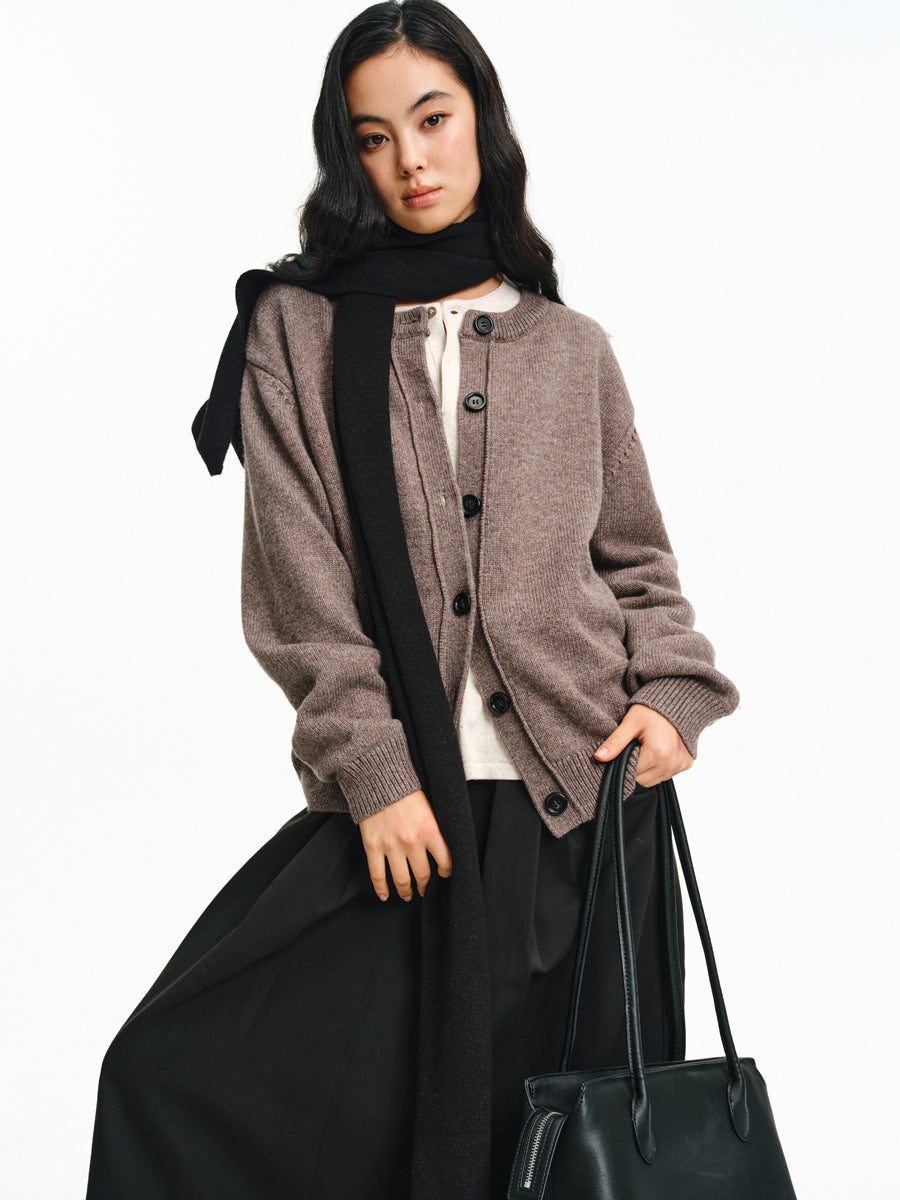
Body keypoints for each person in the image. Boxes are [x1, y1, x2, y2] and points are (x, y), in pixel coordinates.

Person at [84, 3, 739, 1199]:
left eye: (433, 120)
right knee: (169, 1073)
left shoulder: (570, 346)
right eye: (373, 137)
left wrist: (674, 697)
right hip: (405, 815)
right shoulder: (295, 332)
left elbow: (638, 563)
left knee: (556, 1156)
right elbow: (299, 587)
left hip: (588, 813)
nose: (411, 162)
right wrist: (375, 774)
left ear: (481, 118)